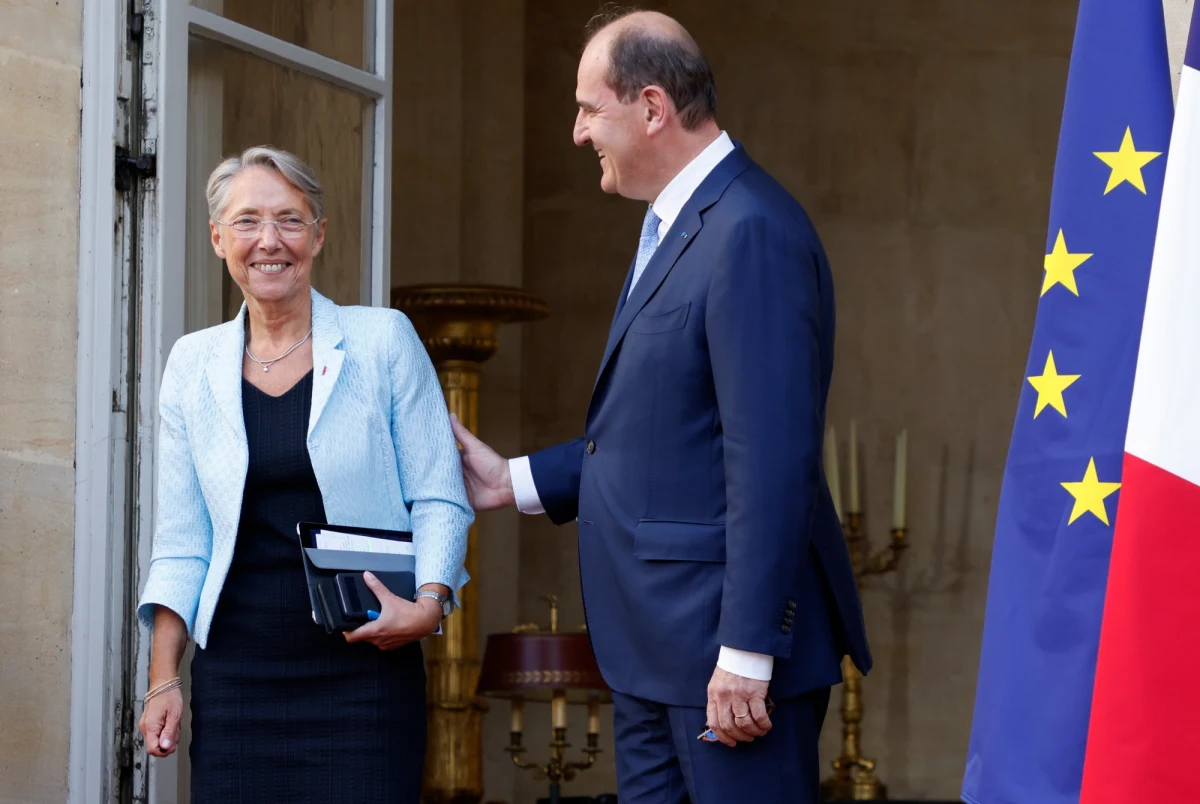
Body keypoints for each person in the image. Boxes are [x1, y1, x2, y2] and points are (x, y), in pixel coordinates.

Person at [450, 9, 871, 803]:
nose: (577, 134)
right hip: (656, 656)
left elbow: (771, 457)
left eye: (587, 109)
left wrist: (746, 650)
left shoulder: (750, 230)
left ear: (650, 107)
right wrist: (513, 480)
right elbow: (663, 432)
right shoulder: (676, 225)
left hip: (724, 663)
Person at [135, 146, 471, 803]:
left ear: (317, 235)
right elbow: (181, 540)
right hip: (237, 676)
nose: (269, 241)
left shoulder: (383, 342)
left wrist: (428, 605)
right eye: (247, 221)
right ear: (217, 239)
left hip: (365, 670)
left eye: (290, 220)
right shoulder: (191, 364)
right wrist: (164, 678)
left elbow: (440, 495)